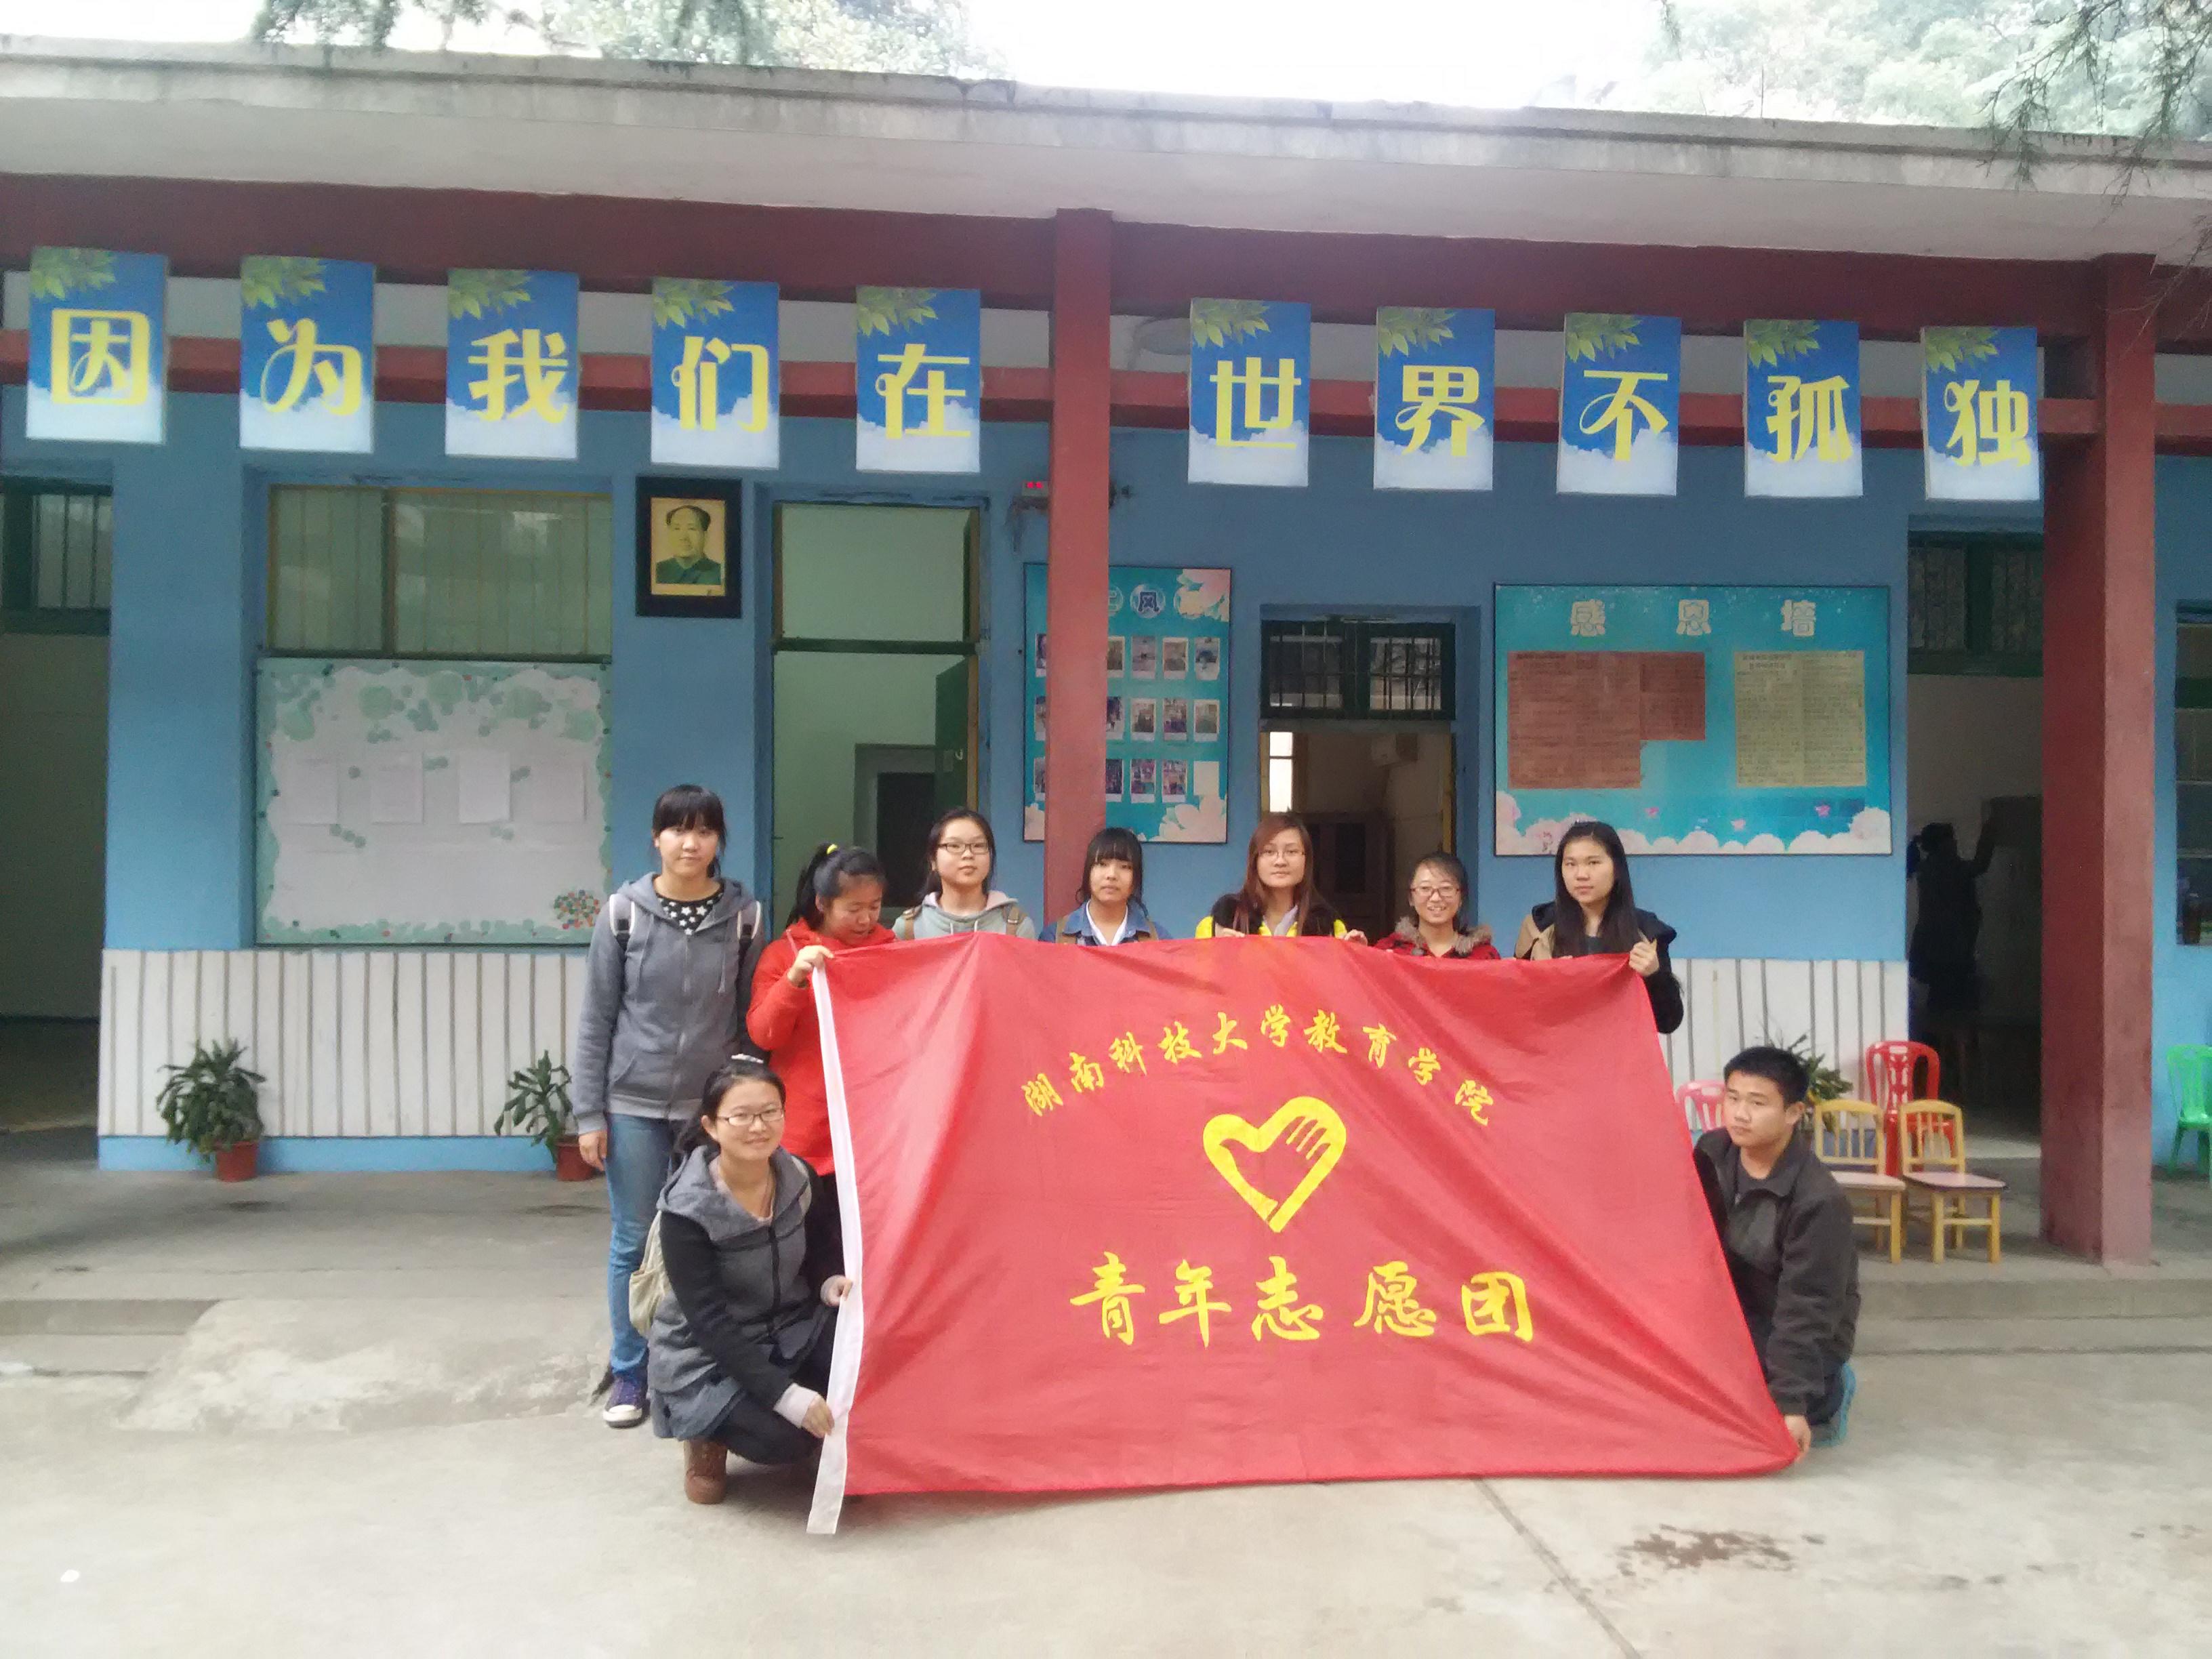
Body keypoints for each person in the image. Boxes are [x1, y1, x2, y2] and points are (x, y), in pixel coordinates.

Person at [572, 784, 764, 1430]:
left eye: (704, 830)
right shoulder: (623, 914)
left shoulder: (744, 917)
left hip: (711, 1111)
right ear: (656, 837)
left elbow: (749, 1021)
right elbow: (597, 1019)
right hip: (633, 1103)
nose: (691, 843)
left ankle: (697, 1362)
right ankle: (631, 1369)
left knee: (713, 1236)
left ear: (719, 840)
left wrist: (743, 1103)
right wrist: (589, 1114)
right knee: (634, 1238)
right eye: (678, 830)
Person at [647, 1059, 853, 1505]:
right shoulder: (686, 1212)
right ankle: (705, 1437)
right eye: (741, 1116)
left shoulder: (799, 1177)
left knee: (862, 1352)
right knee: (787, 1442)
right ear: (711, 1126)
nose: (758, 1127)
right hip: (708, 1351)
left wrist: (829, 1282)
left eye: (770, 1112)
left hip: (790, 1325)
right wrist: (787, 1397)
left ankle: (793, 1403)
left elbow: (821, 1248)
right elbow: (709, 1324)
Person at [1694, 1045, 1859, 1462]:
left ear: (1793, 1113)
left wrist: (1791, 1403)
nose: (1739, 1114)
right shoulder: (1712, 1154)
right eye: (1732, 1098)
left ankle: (1828, 1391)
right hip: (1729, 1313)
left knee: (1746, 1412)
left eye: (1757, 1103)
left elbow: (1808, 1306)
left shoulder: (1818, 1201)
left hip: (1781, 1325)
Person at [747, 844, 895, 1185]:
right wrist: (793, 980)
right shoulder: (784, 954)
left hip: (874, 1129)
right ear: (822, 903)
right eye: (853, 909)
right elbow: (764, 1035)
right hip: (805, 1131)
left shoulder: (893, 952)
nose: (866, 919)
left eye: (874, 907)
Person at [1512, 819, 1683, 1033]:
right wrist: (1545, 982)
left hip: (1618, 1051)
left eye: (1593, 863)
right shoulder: (1538, 927)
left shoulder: (1647, 932)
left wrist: (1654, 976)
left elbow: (1668, 1023)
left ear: (1617, 868)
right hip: (1555, 1049)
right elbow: (1517, 1010)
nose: (1581, 875)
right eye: (1570, 864)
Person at [1195, 813, 1366, 941]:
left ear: (1306, 860)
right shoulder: (1221, 924)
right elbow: (1198, 976)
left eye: (1291, 852)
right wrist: (1217, 955)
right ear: (1255, 860)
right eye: (1269, 852)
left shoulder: (1328, 928)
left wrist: (1355, 956)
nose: (1280, 861)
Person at [891, 810, 1038, 939]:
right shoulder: (909, 929)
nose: (968, 854)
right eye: (954, 846)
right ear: (933, 860)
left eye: (978, 846)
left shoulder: (1015, 926)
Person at [1907, 811, 1998, 1015]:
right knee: (1951, 1001)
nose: (1956, 844)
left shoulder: (1928, 868)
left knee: (1940, 996)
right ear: (1943, 845)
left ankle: (1937, 1032)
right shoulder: (1946, 868)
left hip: (1934, 944)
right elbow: (1980, 865)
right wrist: (1989, 833)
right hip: (1948, 946)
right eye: (1952, 840)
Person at [1372, 852, 1500, 960]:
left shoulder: (1484, 956)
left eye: (1446, 888)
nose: (1436, 898)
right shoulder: (1388, 952)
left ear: (1461, 897)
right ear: (1411, 897)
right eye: (1425, 888)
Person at [1055, 825, 1164, 945]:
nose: (1112, 875)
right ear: (1088, 872)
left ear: (1136, 878)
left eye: (1124, 867)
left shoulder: (1159, 940)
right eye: (1102, 864)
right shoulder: (1055, 938)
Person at [653, 504, 723, 588]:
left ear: (705, 535)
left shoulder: (720, 574)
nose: (683, 537)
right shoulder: (656, 571)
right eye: (677, 529)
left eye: (692, 529)